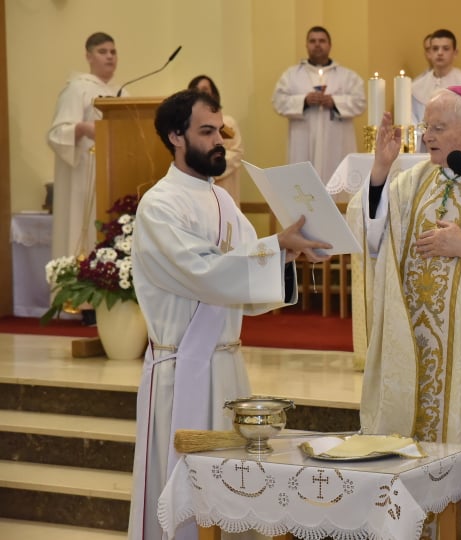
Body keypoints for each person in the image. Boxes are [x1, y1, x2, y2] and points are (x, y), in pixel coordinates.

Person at [127, 89, 331, 540]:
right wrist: (274, 249)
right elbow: (203, 274)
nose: (219, 141)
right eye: (207, 132)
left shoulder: (222, 201)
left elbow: (245, 281)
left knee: (232, 493)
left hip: (226, 369)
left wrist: (286, 256)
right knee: (178, 488)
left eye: (220, 131)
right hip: (179, 369)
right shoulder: (159, 205)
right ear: (175, 136)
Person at [348, 86, 461, 538]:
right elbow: (369, 236)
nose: (427, 136)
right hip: (414, 349)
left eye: (438, 128)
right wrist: (381, 169)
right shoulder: (413, 180)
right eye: (426, 126)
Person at [47, 32, 124, 261]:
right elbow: (56, 134)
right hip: (84, 179)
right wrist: (81, 128)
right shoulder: (77, 89)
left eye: (113, 52)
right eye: (103, 52)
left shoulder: (122, 93)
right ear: (89, 57)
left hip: (113, 178)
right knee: (83, 232)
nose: (110, 57)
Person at [272, 26, 366, 184]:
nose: (317, 45)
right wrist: (304, 101)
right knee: (303, 183)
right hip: (302, 141)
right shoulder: (292, 75)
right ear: (306, 45)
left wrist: (335, 102)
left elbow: (360, 102)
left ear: (330, 45)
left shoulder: (347, 76)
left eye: (322, 41)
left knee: (336, 185)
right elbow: (278, 101)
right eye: (312, 41)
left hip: (336, 142)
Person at [188, 75, 245, 203]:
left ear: (214, 94)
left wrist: (209, 165)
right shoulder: (189, 127)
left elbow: (237, 153)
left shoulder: (228, 122)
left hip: (224, 185)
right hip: (197, 189)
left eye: (204, 90)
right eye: (196, 91)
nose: (200, 95)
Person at [412, 29, 461, 128]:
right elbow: (412, 122)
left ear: (455, 53)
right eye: (435, 48)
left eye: (445, 48)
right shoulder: (416, 88)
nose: (440, 53)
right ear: (429, 53)